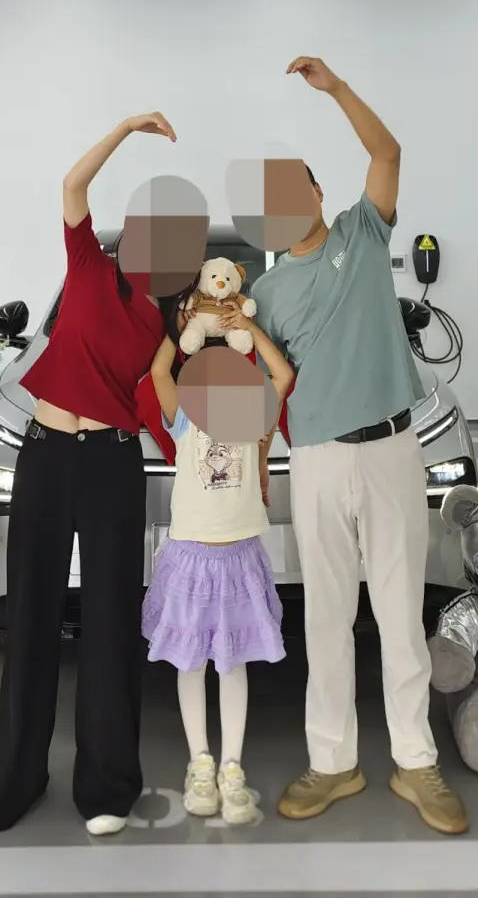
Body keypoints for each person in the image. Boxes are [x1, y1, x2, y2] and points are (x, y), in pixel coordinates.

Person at [249, 58, 469, 836]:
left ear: (316, 193)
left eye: (294, 189)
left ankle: (416, 761)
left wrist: (337, 89)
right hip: (316, 461)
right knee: (327, 617)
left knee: (401, 613)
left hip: (391, 450)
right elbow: (264, 388)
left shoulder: (362, 232)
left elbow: (387, 152)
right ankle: (333, 761)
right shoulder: (263, 296)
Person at [0, 112, 201, 838]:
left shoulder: (169, 327)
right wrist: (127, 128)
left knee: (109, 623)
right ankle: (16, 777)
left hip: (112, 464)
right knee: (31, 616)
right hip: (45, 454)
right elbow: (72, 185)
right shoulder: (88, 266)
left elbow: (176, 395)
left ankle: (106, 784)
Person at [142, 295, 294, 824]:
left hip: (238, 559)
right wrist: (182, 325)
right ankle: (200, 763)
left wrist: (249, 325)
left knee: (232, 664)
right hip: (190, 558)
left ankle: (231, 767)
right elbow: (159, 370)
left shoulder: (255, 417)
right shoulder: (183, 418)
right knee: (191, 664)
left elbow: (282, 374)